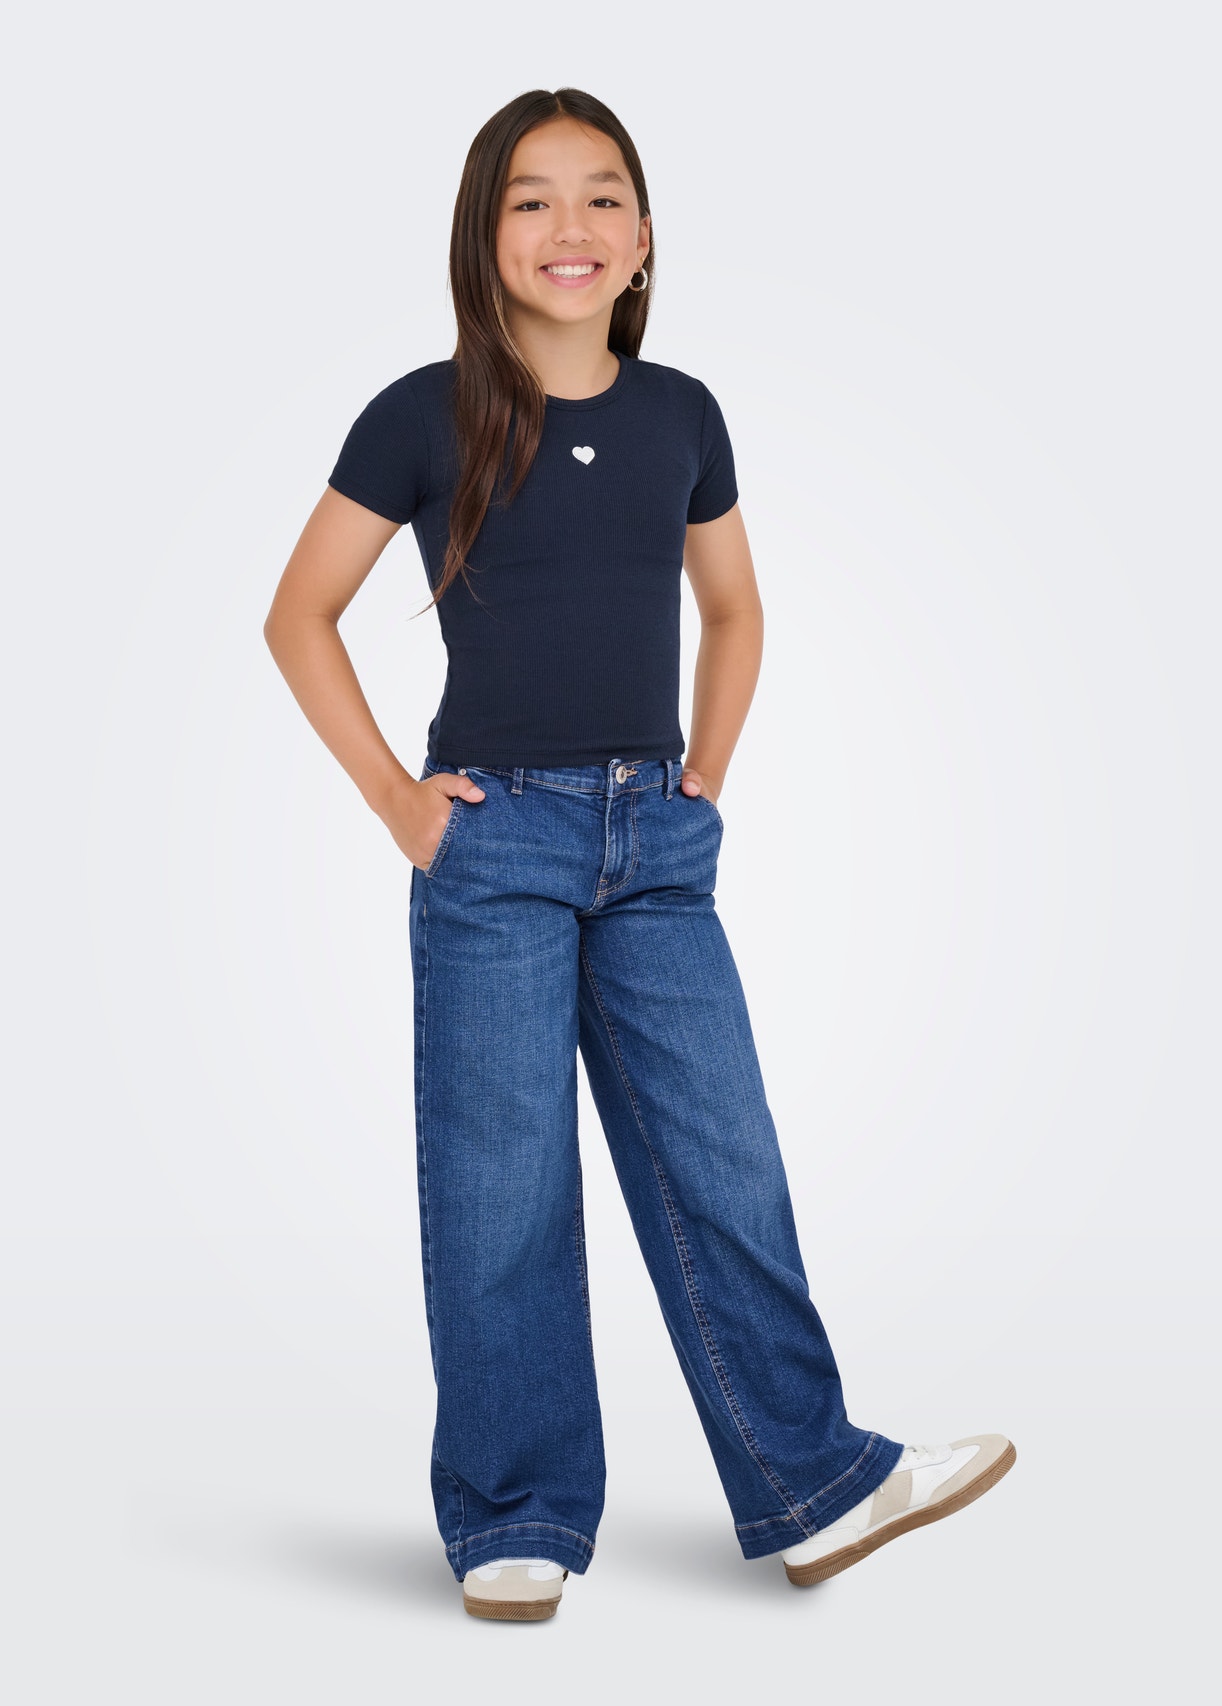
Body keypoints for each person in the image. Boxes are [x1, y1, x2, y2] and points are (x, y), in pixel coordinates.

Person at [263, 86, 1015, 1624]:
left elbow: (734, 608)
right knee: (503, 1188)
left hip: (655, 841)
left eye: (602, 194)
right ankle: (515, 1513)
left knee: (724, 1159)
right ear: (483, 236)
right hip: (494, 844)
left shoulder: (683, 414)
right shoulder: (422, 414)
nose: (572, 225)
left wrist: (705, 779)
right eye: (532, 198)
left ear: (646, 235)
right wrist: (400, 801)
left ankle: (814, 1483)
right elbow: (298, 616)